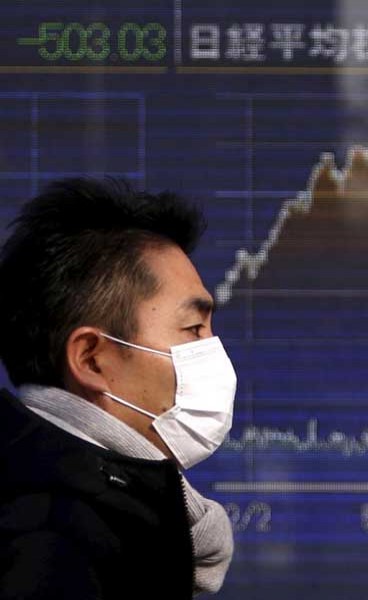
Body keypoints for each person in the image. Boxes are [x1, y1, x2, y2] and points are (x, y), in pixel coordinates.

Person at [0, 178, 235, 598]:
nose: (214, 351)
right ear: (92, 359)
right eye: (193, 328)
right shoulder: (51, 544)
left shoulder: (100, 518)